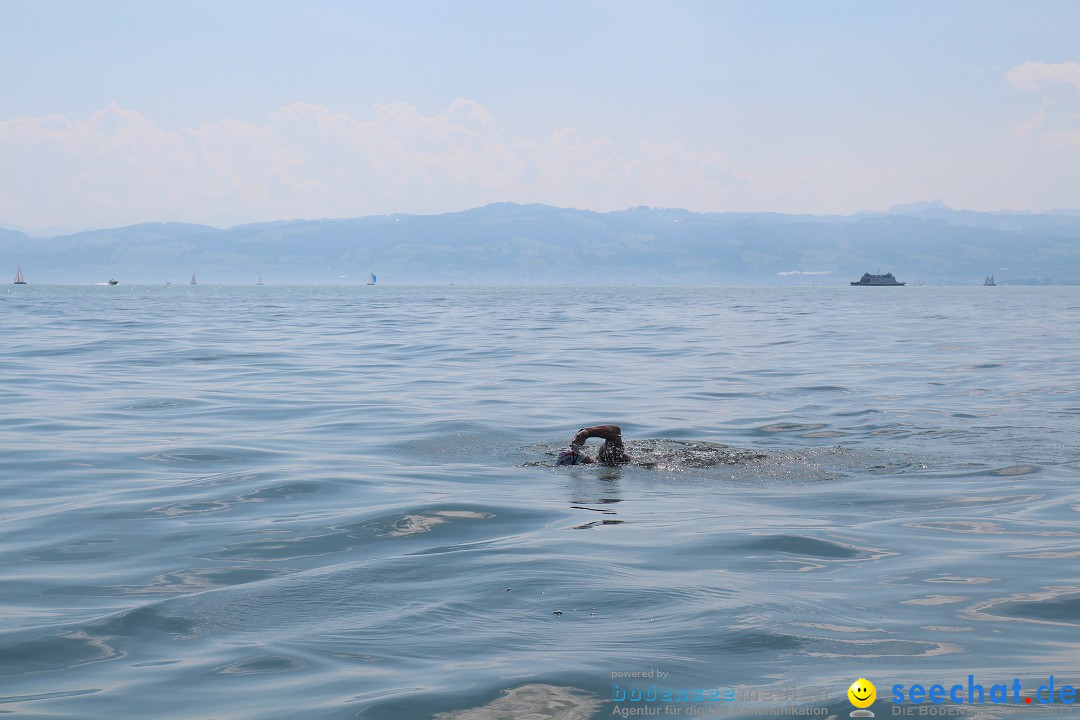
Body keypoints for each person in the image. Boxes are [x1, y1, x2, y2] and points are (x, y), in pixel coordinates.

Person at [556, 425, 632, 465]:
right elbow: (615, 432)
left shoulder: (605, 458)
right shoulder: (607, 458)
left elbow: (615, 431)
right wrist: (586, 433)